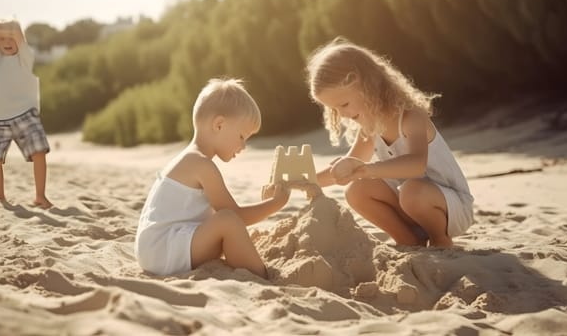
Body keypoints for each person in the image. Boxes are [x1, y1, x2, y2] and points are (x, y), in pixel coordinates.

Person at [305, 37, 474, 248]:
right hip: (410, 204)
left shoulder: (412, 117)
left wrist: (367, 169)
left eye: (344, 104)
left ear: (365, 85)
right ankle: (409, 239)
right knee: (356, 190)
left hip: (450, 208)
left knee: (410, 191)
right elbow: (346, 169)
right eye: (335, 110)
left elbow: (416, 164)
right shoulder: (369, 129)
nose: (343, 115)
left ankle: (441, 241)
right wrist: (304, 180)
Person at [135, 78, 292, 278]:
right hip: (163, 249)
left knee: (222, 225)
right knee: (228, 221)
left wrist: (266, 203)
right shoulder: (201, 164)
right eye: (242, 137)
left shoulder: (189, 159)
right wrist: (276, 203)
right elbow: (236, 215)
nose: (243, 146)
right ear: (219, 125)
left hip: (158, 249)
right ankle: (260, 275)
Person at [0, 16, 52, 209]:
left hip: (25, 113)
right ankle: (0, 197)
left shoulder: (25, 56)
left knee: (39, 151)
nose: (7, 42)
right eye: (2, 39)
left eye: (10, 38)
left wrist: (3, 29)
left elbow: (15, 32)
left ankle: (40, 196)